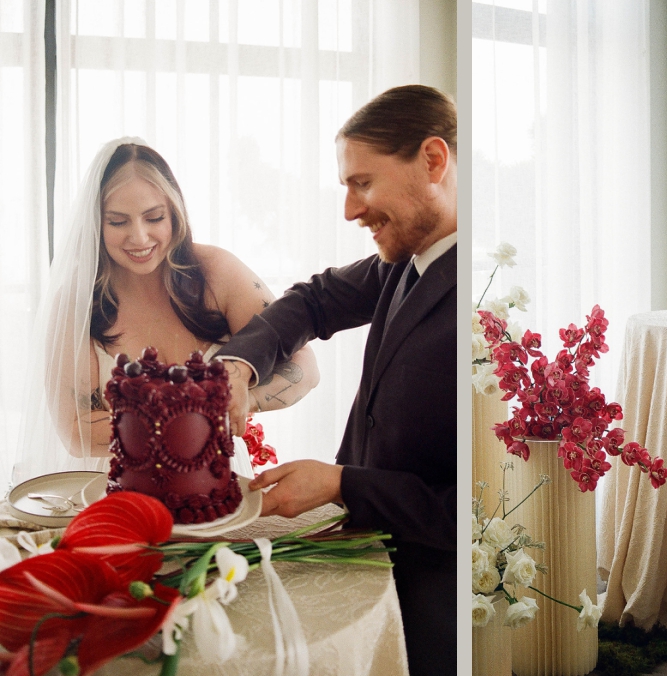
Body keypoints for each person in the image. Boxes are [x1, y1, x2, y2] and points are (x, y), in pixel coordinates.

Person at [215, 84, 457, 675]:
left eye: (362, 183)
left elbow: (469, 510)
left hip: (436, 598)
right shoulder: (406, 261)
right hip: (369, 551)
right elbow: (314, 300)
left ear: (432, 160)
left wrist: (342, 483)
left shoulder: (482, 300)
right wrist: (238, 364)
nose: (350, 210)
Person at [12, 139, 319, 484]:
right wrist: (179, 428)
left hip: (218, 480)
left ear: (174, 212)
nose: (139, 237)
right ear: (96, 224)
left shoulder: (218, 272)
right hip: (119, 489)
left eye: (154, 217)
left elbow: (304, 366)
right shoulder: (76, 303)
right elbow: (74, 431)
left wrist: (237, 400)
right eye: (118, 222)